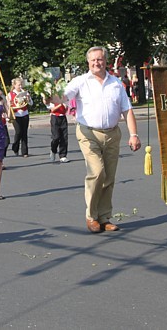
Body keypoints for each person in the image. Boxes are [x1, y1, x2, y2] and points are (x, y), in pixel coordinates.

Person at [63, 46, 141, 233]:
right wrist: (50, 97)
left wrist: (134, 134)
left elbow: (127, 110)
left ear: (106, 61)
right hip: (88, 133)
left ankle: (105, 217)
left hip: (112, 134)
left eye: (100, 59)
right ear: (88, 62)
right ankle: (91, 216)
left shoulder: (116, 84)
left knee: (109, 177)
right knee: (97, 172)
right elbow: (64, 97)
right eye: (93, 60)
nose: (97, 63)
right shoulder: (80, 81)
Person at [9, 77, 33, 157]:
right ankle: (15, 147)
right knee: (18, 132)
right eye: (19, 85)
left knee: (24, 133)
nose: (20, 86)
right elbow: (8, 106)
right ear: (14, 85)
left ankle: (24, 152)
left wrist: (28, 99)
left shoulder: (25, 93)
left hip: (24, 114)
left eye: (21, 85)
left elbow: (31, 103)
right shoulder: (10, 94)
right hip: (16, 115)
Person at [45, 95, 69, 163]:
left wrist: (65, 105)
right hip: (55, 117)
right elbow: (52, 109)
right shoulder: (52, 97)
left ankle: (63, 155)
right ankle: (53, 150)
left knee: (64, 137)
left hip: (63, 117)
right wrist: (61, 104)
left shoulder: (64, 96)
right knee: (56, 137)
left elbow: (66, 108)